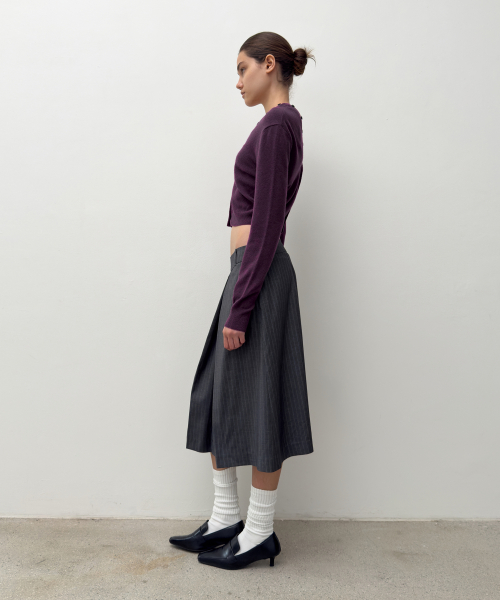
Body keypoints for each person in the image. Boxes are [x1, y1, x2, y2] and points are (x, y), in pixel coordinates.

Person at [170, 31, 315, 570]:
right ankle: (227, 516)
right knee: (217, 390)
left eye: (242, 69)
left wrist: (243, 303)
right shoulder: (277, 125)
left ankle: (259, 532)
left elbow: (270, 221)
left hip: (259, 271)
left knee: (261, 399)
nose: (237, 82)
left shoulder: (277, 125)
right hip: (249, 270)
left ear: (268, 64)